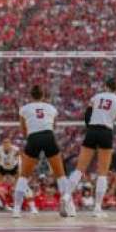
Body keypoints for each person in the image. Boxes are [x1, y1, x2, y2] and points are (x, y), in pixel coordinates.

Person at [66, 78, 116, 217]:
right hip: (106, 132)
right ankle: (97, 208)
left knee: (79, 169)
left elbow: (87, 115)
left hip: (92, 130)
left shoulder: (96, 97)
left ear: (105, 86)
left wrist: (90, 128)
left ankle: (66, 196)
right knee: (102, 172)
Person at [14, 85, 74, 218]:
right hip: (48, 136)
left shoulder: (24, 109)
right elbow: (53, 126)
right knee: (60, 174)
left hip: (33, 137)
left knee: (24, 175)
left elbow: (23, 130)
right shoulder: (51, 108)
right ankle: (67, 204)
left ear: (31, 95)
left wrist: (30, 138)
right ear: (43, 95)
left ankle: (16, 209)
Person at [0, 137, 38, 215]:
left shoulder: (16, 150)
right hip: (2, 168)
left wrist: (21, 175)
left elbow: (20, 161)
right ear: (2, 144)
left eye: (8, 143)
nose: (6, 144)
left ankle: (33, 208)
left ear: (10, 144)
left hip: (14, 168)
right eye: (4, 143)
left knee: (24, 186)